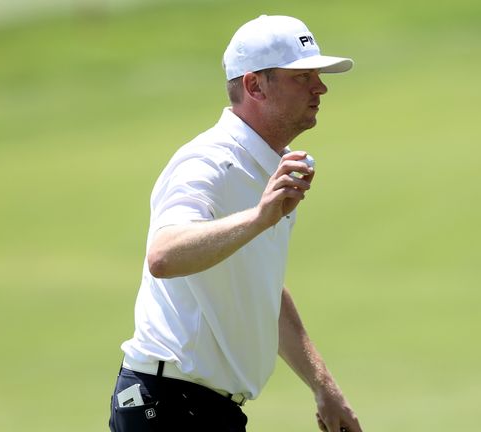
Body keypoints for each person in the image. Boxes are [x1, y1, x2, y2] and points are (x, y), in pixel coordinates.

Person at [109, 14, 362, 432]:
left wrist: (323, 386)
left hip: (204, 410)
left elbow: (261, 290)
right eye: (302, 77)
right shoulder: (208, 162)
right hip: (165, 405)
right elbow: (163, 254)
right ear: (254, 85)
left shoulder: (269, 167)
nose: (320, 87)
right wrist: (260, 217)